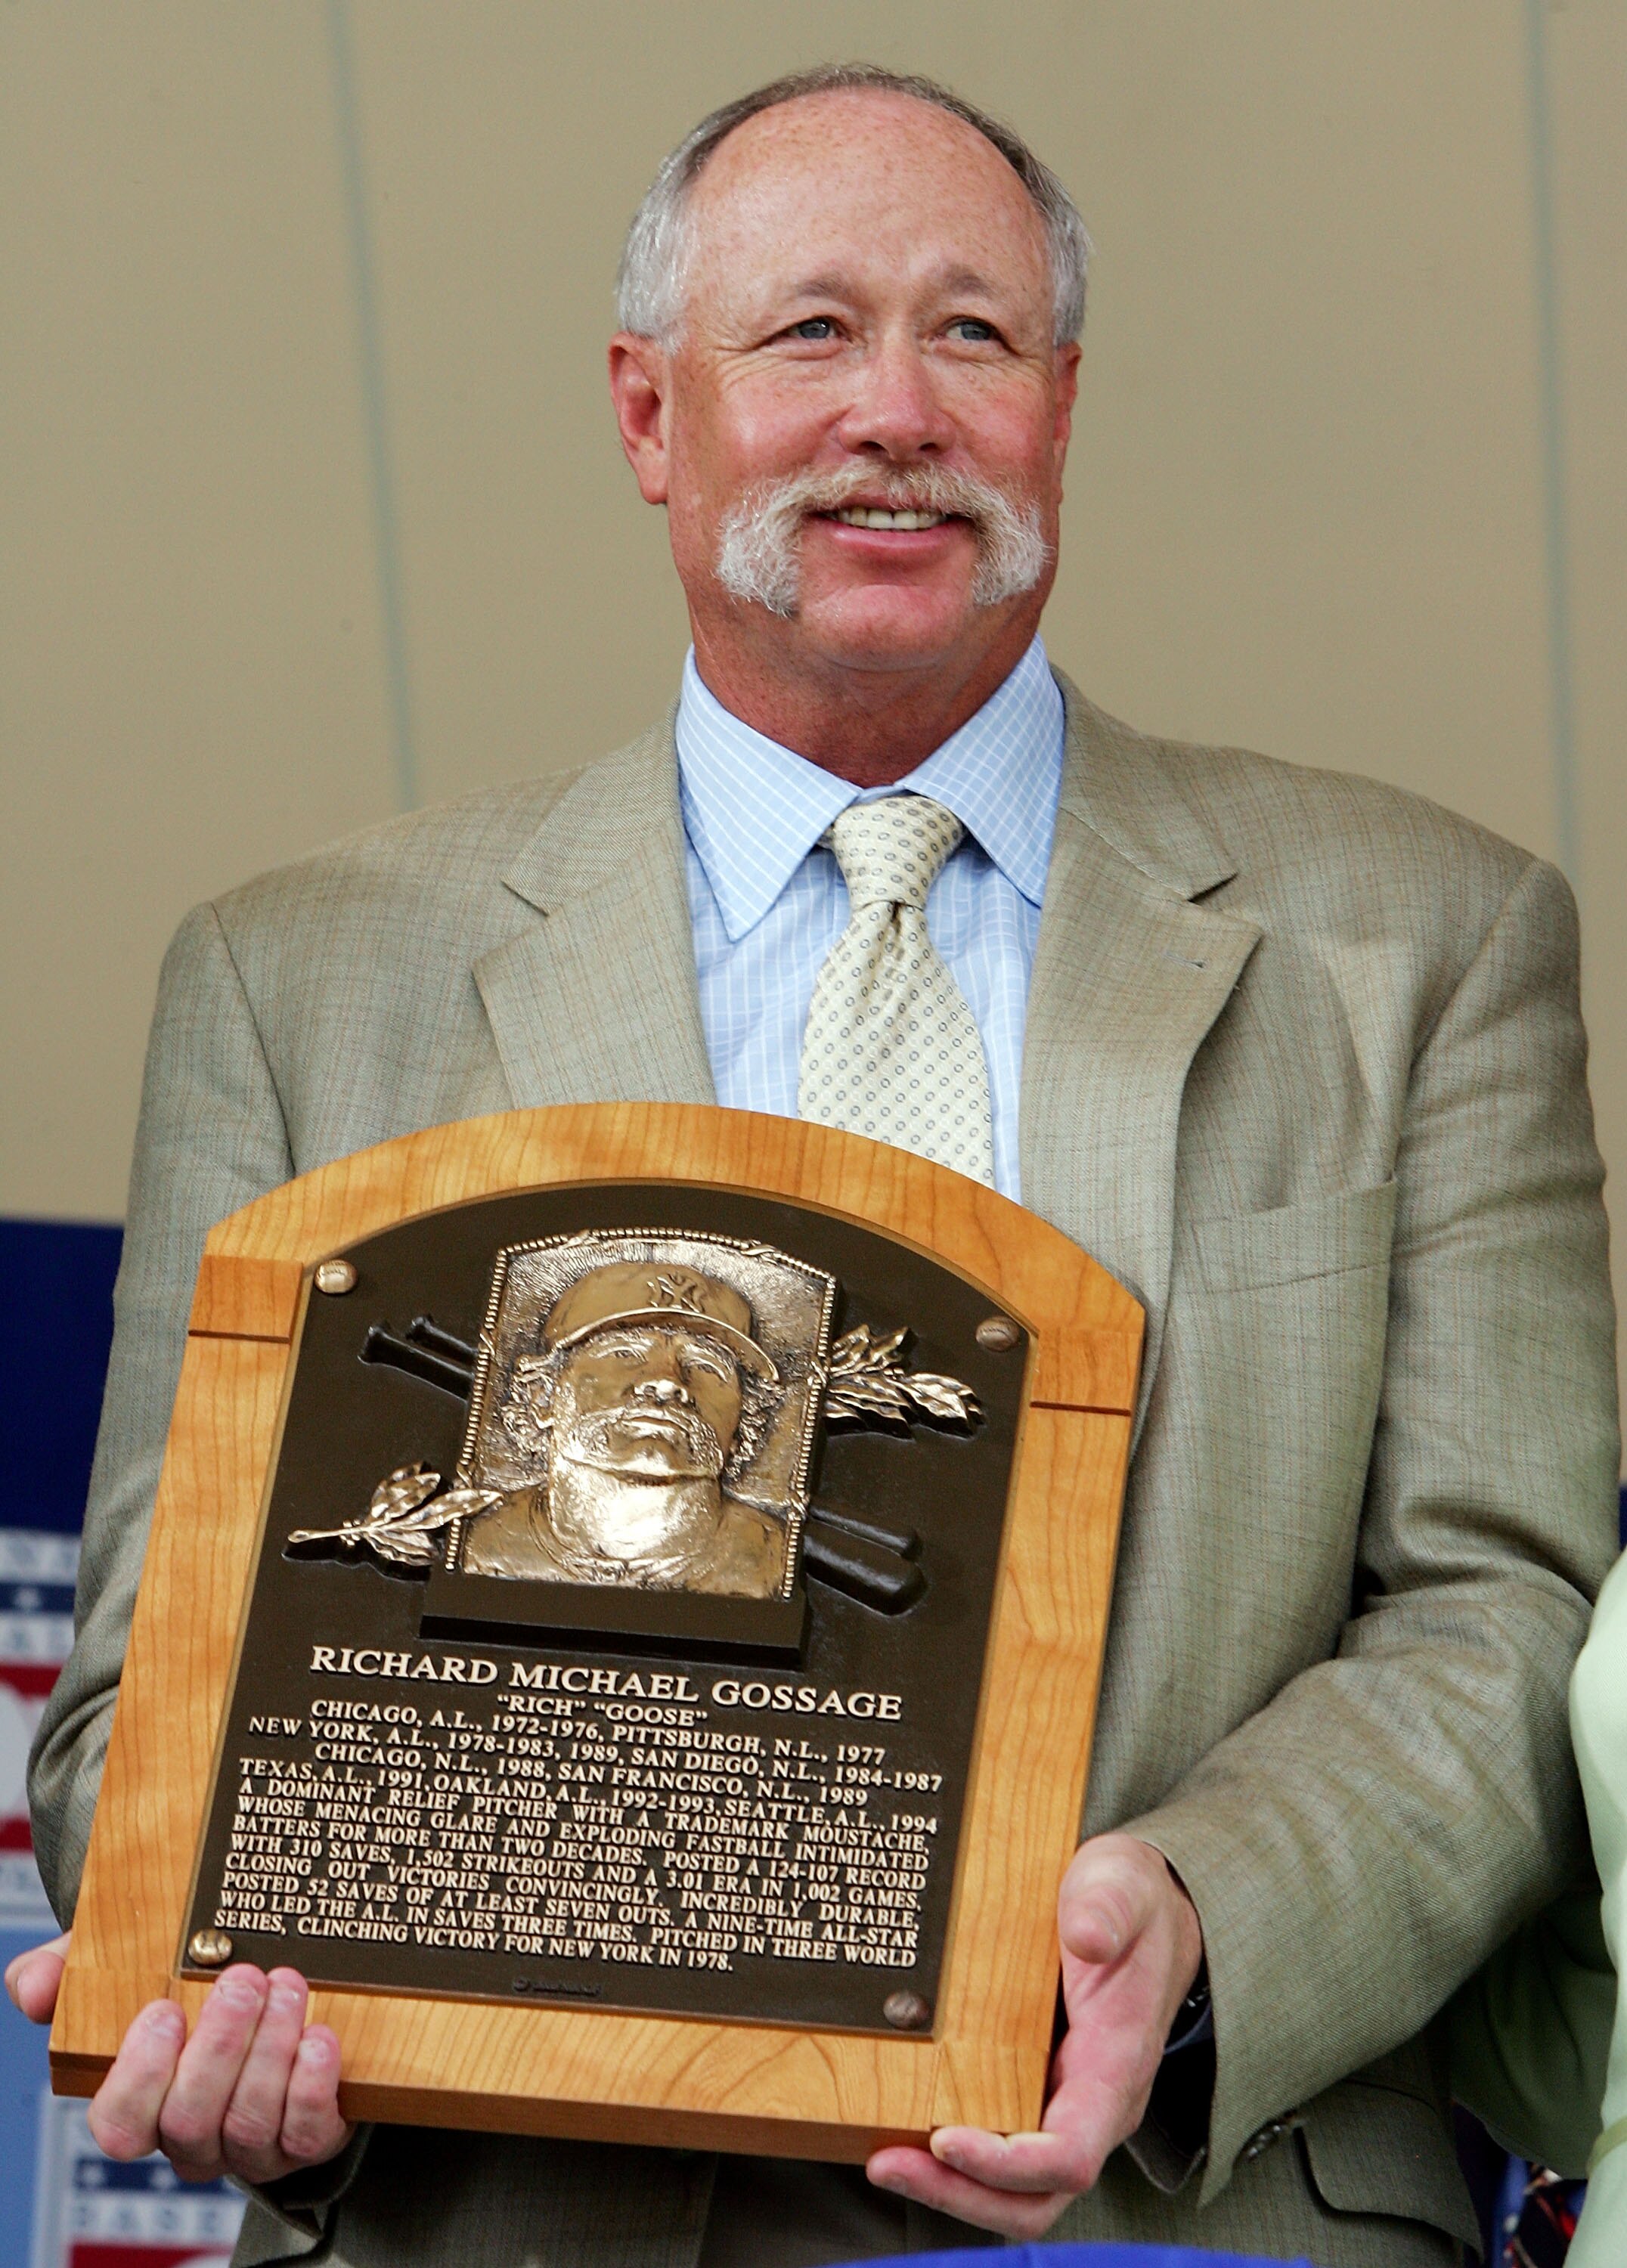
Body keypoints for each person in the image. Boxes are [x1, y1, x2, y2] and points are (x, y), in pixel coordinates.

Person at [10, 60, 1619, 2268]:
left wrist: (1207, 1924)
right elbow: (138, 1716)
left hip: (1191, 2210)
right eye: (807, 333)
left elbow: (1505, 1611)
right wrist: (250, 1993)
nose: (896, 412)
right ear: (649, 416)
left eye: (972, 335)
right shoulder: (304, 979)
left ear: (1063, 405)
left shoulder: (1423, 942)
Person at [461, 1256, 788, 1594]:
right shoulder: (481, 1544)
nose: (666, 1381)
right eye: (624, 1354)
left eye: (705, 1365)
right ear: (543, 1396)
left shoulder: (775, 1562)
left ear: (745, 1417)